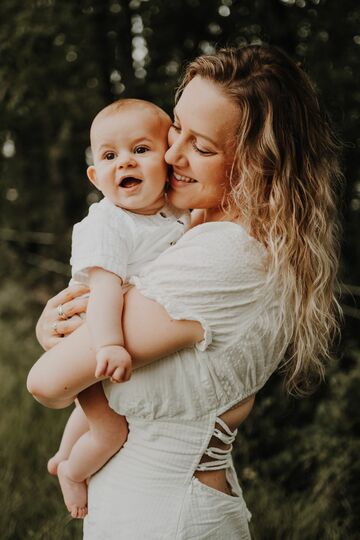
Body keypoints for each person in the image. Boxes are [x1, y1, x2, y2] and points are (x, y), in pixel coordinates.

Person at [27, 45, 341, 539]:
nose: (171, 154)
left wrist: (62, 336)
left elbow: (48, 381)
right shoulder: (188, 230)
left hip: (168, 519)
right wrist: (65, 319)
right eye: (178, 127)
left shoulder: (225, 256)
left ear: (258, 165)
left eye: (202, 146)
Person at [37, 98, 190, 519]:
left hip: (108, 338)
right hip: (90, 336)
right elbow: (104, 290)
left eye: (140, 150)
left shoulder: (177, 213)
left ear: (169, 159)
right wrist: (109, 345)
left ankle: (63, 453)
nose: (125, 163)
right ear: (95, 176)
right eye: (110, 156)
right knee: (109, 430)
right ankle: (71, 470)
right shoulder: (107, 223)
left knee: (91, 415)